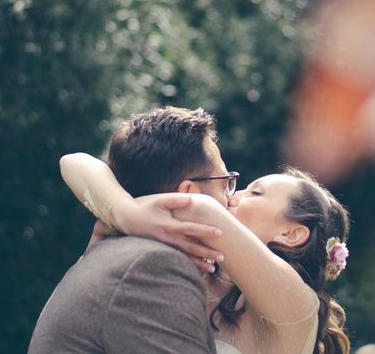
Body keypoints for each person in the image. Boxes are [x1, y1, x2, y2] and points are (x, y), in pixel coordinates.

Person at [58, 110, 353, 354]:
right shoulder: (193, 268)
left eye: (256, 193)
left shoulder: (297, 304)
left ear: (291, 235)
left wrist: (121, 209)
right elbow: (74, 162)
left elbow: (199, 206)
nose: (232, 196)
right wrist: (124, 211)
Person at [28, 107, 230, 353]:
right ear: (189, 194)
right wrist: (126, 212)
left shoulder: (119, 249)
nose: (233, 199)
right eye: (225, 183)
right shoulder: (154, 267)